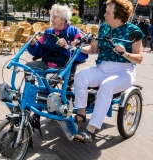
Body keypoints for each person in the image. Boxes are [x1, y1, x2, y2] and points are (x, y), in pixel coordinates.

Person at [60, 0, 144, 142]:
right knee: (81, 75)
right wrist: (76, 46)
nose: (104, 14)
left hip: (124, 70)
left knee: (106, 86)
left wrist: (125, 53)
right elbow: (93, 49)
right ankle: (81, 113)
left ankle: (91, 129)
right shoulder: (104, 27)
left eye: (108, 12)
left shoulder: (133, 31)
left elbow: (140, 58)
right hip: (102, 67)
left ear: (118, 15)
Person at [26, 4, 88, 125]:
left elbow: (83, 54)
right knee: (28, 66)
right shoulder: (48, 32)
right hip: (46, 64)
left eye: (54, 17)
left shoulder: (75, 32)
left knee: (47, 80)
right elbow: (38, 50)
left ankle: (37, 113)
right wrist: (33, 45)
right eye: (52, 16)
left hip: (64, 67)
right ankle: (31, 102)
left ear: (64, 19)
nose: (51, 20)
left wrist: (67, 47)